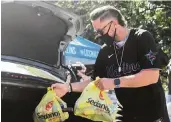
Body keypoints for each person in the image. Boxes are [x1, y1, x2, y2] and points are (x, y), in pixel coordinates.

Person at [51, 6, 169, 122]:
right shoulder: (105, 51)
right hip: (124, 114)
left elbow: (151, 77)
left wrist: (114, 82)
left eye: (100, 31)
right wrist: (68, 88)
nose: (99, 35)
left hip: (153, 114)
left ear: (114, 23)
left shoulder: (141, 37)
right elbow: (94, 82)